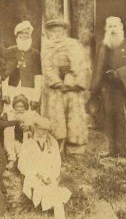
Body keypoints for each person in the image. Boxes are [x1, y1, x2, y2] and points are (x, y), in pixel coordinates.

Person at [90, 16, 126, 159]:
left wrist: (120, 74)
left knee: (121, 119)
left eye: (115, 26)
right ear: (106, 29)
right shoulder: (102, 46)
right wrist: (96, 87)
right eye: (110, 26)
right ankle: (112, 149)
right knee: (108, 118)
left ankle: (122, 150)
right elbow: (97, 68)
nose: (113, 29)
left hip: (123, 88)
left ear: (121, 28)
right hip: (106, 88)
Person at [41, 19, 91, 155]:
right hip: (56, 90)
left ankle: (75, 148)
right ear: (49, 33)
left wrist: (73, 82)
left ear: (64, 32)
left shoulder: (74, 45)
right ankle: (56, 146)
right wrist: (58, 83)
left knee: (74, 117)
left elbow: (82, 66)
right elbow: (47, 68)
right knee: (57, 118)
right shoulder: (47, 48)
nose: (56, 34)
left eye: (59, 31)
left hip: (73, 88)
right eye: (53, 32)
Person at [18, 116, 71, 219]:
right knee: (50, 190)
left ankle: (58, 215)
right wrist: (37, 174)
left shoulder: (53, 143)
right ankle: (58, 214)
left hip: (48, 176)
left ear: (48, 131)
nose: (41, 133)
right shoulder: (28, 143)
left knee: (51, 187)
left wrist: (51, 176)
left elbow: (57, 163)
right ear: (34, 129)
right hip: (33, 176)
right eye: (39, 129)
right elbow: (22, 164)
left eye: (44, 130)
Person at [0, 95, 38, 167]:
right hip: (12, 143)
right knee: (8, 129)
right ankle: (12, 159)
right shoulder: (8, 113)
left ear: (25, 107)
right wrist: (15, 122)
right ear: (14, 106)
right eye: (17, 106)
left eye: (22, 106)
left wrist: (29, 127)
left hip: (25, 143)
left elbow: (40, 127)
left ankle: (22, 160)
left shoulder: (31, 114)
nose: (19, 109)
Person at [3, 21, 42, 90]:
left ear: (30, 35)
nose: (24, 35)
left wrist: (37, 89)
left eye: (27, 33)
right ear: (18, 35)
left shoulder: (35, 53)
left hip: (29, 86)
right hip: (12, 85)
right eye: (21, 33)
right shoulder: (10, 50)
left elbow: (38, 73)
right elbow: (4, 69)